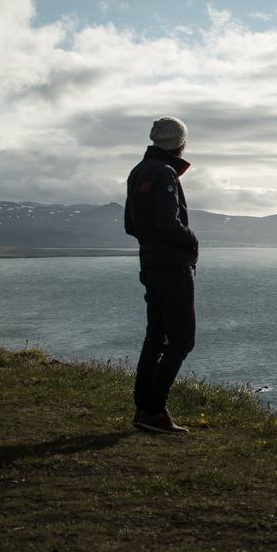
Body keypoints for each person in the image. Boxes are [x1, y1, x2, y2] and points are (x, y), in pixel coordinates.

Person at [123, 116, 200, 434]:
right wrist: (192, 241)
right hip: (172, 267)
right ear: (181, 143)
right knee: (181, 340)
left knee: (156, 336)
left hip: (151, 265)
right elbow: (169, 222)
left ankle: (144, 408)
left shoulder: (139, 171)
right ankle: (153, 410)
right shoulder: (165, 172)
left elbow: (131, 225)